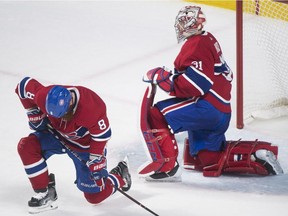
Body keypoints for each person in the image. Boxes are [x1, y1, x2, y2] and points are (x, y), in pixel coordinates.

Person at [140, 5, 283, 180]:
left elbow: (198, 85)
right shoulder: (207, 38)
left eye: (184, 22)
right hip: (221, 111)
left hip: (206, 107)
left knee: (157, 114)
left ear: (193, 24)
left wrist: (166, 80)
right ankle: (257, 157)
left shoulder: (197, 45)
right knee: (209, 161)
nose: (180, 26)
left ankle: (167, 166)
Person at [15, 77, 132, 214]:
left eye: (64, 114)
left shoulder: (91, 106)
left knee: (94, 197)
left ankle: (119, 174)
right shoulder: (43, 96)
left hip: (84, 147)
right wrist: (33, 112)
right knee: (27, 147)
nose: (62, 118)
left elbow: (102, 136)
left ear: (70, 101)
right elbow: (23, 86)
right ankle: (45, 192)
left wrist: (96, 160)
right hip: (56, 135)